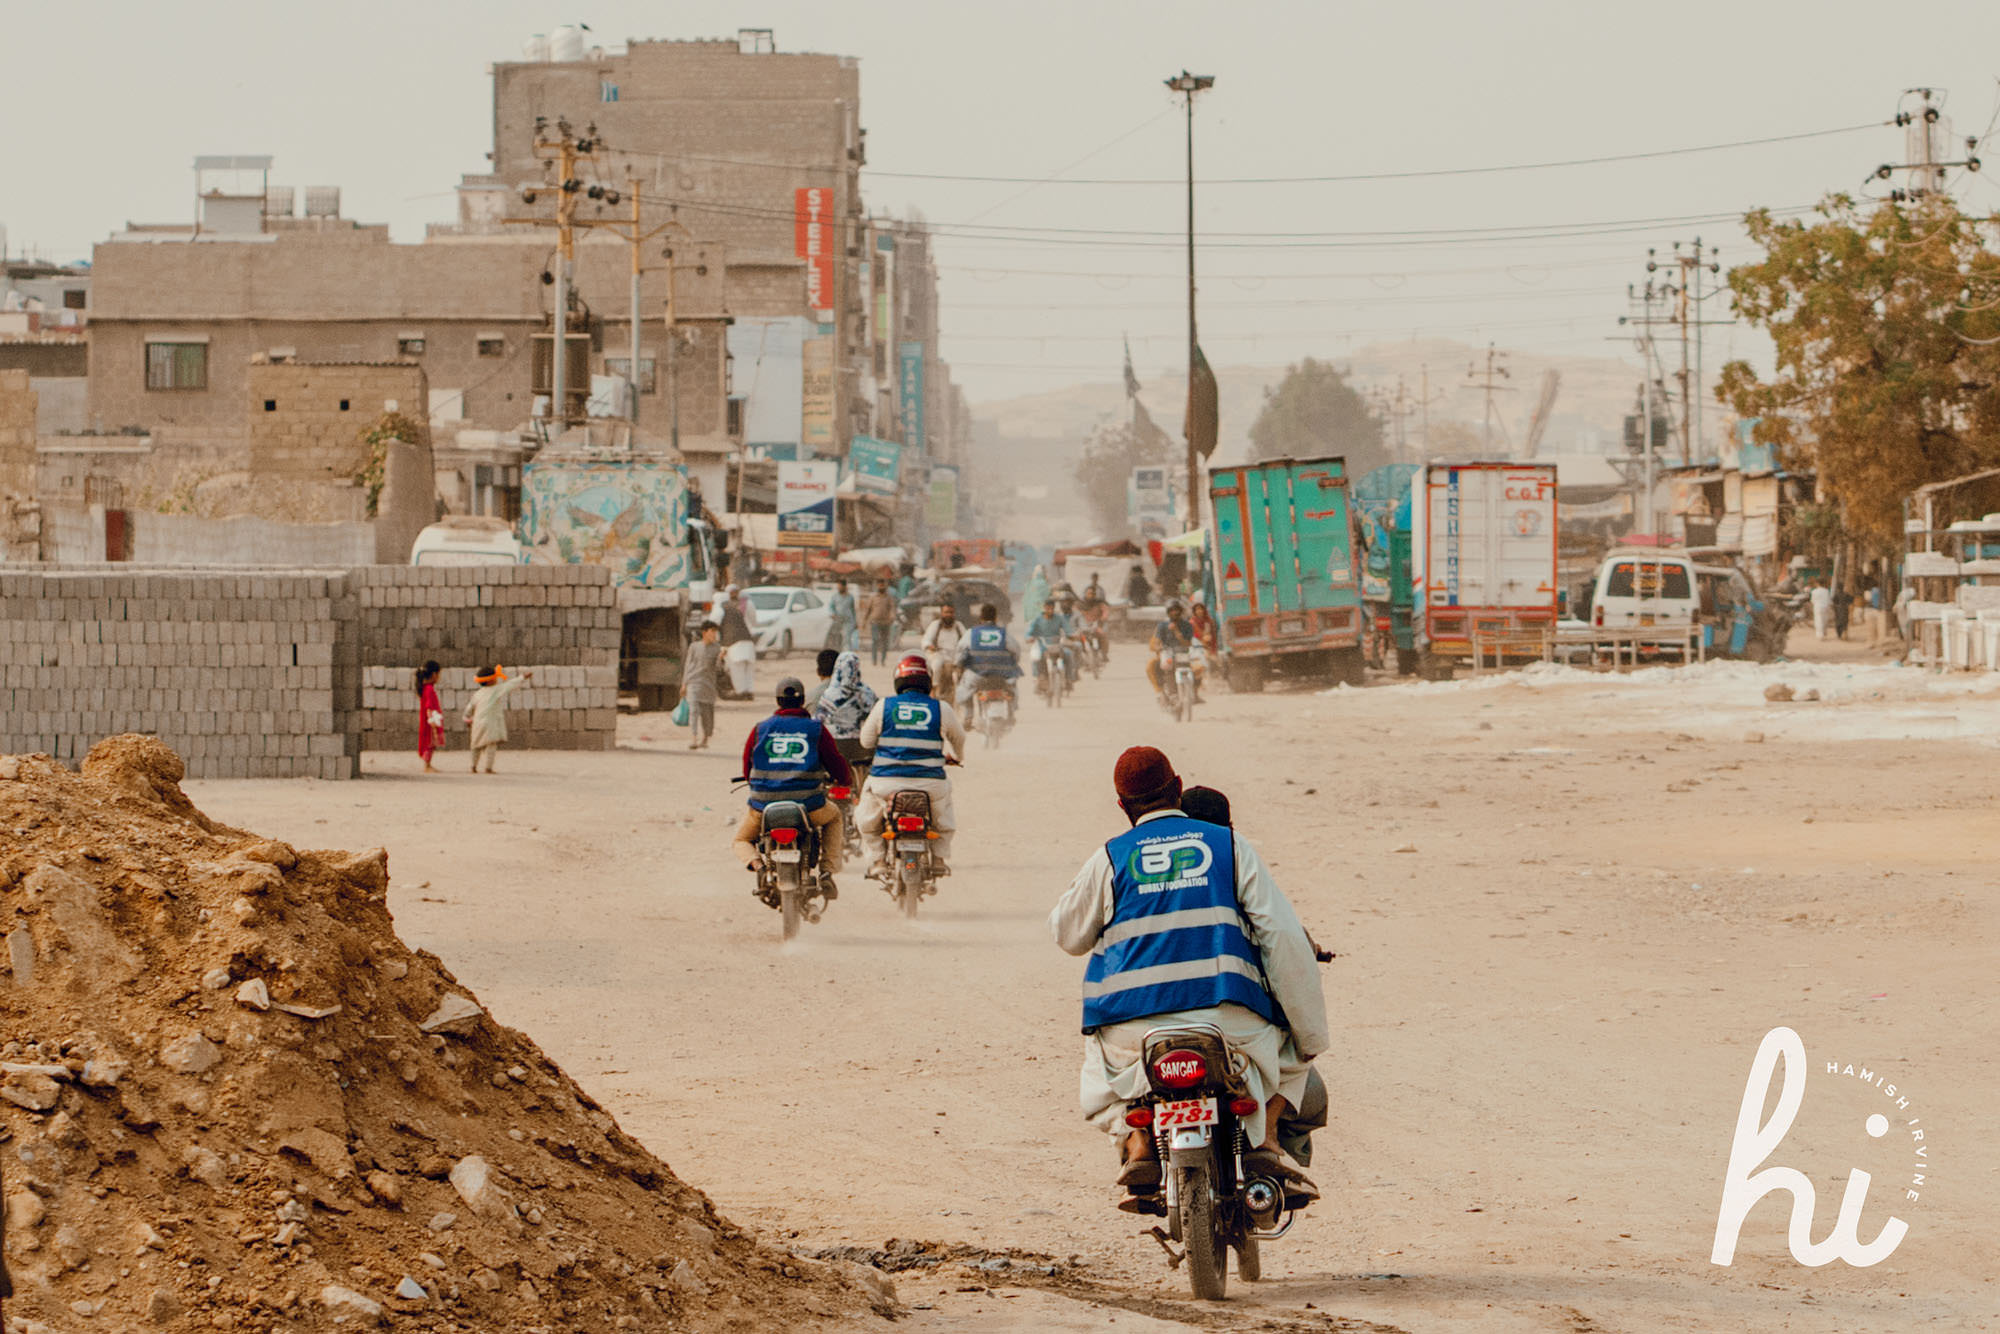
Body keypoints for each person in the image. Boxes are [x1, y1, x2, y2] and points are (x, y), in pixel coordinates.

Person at [1049, 747, 1328, 1204]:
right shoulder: (1229, 846)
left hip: (1133, 1033)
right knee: (1294, 1050)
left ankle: (1136, 1141)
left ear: (1122, 806)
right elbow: (1279, 934)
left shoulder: (1111, 858)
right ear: (1178, 788)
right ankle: (1265, 1140)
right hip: (1227, 1024)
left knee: (1099, 1063)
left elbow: (1068, 935)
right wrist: (1308, 1028)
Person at [734, 676, 854, 896]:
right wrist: (845, 780)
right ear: (802, 701)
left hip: (763, 808)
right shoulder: (816, 729)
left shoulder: (760, 729)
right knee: (835, 816)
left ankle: (759, 866)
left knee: (741, 840)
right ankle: (827, 872)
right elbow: (836, 762)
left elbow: (746, 768)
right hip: (809, 808)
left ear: (778, 701)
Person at [857, 655, 965, 878]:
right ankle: (938, 858)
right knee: (943, 819)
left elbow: (866, 741)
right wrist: (956, 755)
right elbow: (959, 737)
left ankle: (878, 860)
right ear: (927, 680)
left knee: (867, 819)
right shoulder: (941, 708)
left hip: (885, 784)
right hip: (931, 784)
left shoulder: (883, 705)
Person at [812, 650, 879, 783]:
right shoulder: (868, 693)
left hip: (837, 749)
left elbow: (817, 724)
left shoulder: (829, 695)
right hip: (863, 750)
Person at [955, 602, 1023, 721]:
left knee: (964, 689)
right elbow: (1016, 651)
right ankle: (1011, 713)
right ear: (995, 617)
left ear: (980, 618)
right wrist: (1012, 664)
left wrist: (959, 665)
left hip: (977, 675)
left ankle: (968, 716)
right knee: (1012, 688)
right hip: (1002, 676)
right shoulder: (1003, 633)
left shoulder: (972, 633)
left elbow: (960, 652)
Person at [463, 664, 534, 774]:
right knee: (491, 744)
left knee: (475, 745)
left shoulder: (477, 693)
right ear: (491, 680)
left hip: (477, 722)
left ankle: (473, 766)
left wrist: (467, 718)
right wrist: (523, 677)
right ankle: (488, 768)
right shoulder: (496, 690)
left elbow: (470, 707)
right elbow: (510, 685)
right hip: (490, 723)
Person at [1145, 601, 1206, 704]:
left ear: (1181, 611)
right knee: (1159, 667)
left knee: (1199, 667)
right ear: (1168, 612)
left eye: (1177, 610)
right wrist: (1158, 648)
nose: (1174, 613)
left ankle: (1195, 693)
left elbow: (1188, 643)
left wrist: (1177, 631)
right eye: (1172, 610)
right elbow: (1156, 642)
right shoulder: (1162, 626)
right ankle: (1164, 693)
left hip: (1184, 653)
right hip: (1168, 654)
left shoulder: (1187, 625)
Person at [681, 623, 722, 750]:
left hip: (709, 685)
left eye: (715, 632)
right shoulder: (694, 647)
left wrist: (720, 658)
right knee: (693, 711)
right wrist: (684, 684)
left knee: (707, 714)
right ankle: (694, 738)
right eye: (712, 631)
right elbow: (688, 665)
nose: (714, 634)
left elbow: (718, 669)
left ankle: (705, 738)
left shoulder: (717, 648)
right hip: (694, 682)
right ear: (704, 632)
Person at [1027, 597, 1078, 692]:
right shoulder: (1037, 620)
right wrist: (1029, 638)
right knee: (1036, 658)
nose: (1049, 610)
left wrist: (1071, 635)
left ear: (1054, 608)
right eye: (1047, 608)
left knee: (1068, 654)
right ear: (1044, 608)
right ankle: (1039, 680)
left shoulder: (1059, 618)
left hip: (1057, 646)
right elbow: (1030, 632)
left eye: (1051, 608)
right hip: (1043, 647)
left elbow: (1067, 629)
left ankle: (1068, 679)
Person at [714, 587, 757, 698]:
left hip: (734, 644)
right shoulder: (737, 608)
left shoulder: (720, 608)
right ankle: (749, 692)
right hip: (748, 642)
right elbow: (754, 621)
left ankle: (741, 692)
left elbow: (714, 625)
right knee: (748, 670)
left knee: (737, 670)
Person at [921, 600, 967, 700]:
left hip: (955, 656)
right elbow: (926, 640)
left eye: (951, 612)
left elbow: (966, 640)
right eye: (946, 612)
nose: (948, 615)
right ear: (942, 613)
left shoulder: (959, 626)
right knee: (936, 666)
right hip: (938, 654)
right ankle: (933, 690)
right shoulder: (935, 625)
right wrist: (929, 646)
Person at [415, 660, 445, 773]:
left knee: (431, 742)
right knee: (430, 742)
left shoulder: (426, 688)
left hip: (429, 718)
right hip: (430, 719)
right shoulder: (429, 690)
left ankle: (428, 764)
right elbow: (429, 707)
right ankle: (427, 765)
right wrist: (432, 720)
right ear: (434, 674)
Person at [864, 578, 899, 666]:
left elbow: (892, 608)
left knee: (884, 641)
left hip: (886, 622)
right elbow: (868, 609)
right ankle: (874, 660)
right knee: (875, 640)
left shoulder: (889, 597)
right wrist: (864, 621)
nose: (881, 586)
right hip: (875, 622)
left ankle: (883, 660)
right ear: (877, 586)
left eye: (883, 585)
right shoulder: (873, 597)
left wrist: (892, 617)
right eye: (879, 585)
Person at [828, 579, 859, 652]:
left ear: (844, 586)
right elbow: (831, 607)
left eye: (840, 586)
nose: (839, 588)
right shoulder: (835, 597)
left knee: (846, 638)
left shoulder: (850, 597)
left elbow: (853, 610)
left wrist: (855, 622)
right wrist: (832, 614)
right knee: (837, 639)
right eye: (838, 586)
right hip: (838, 620)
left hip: (848, 621)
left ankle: (847, 654)